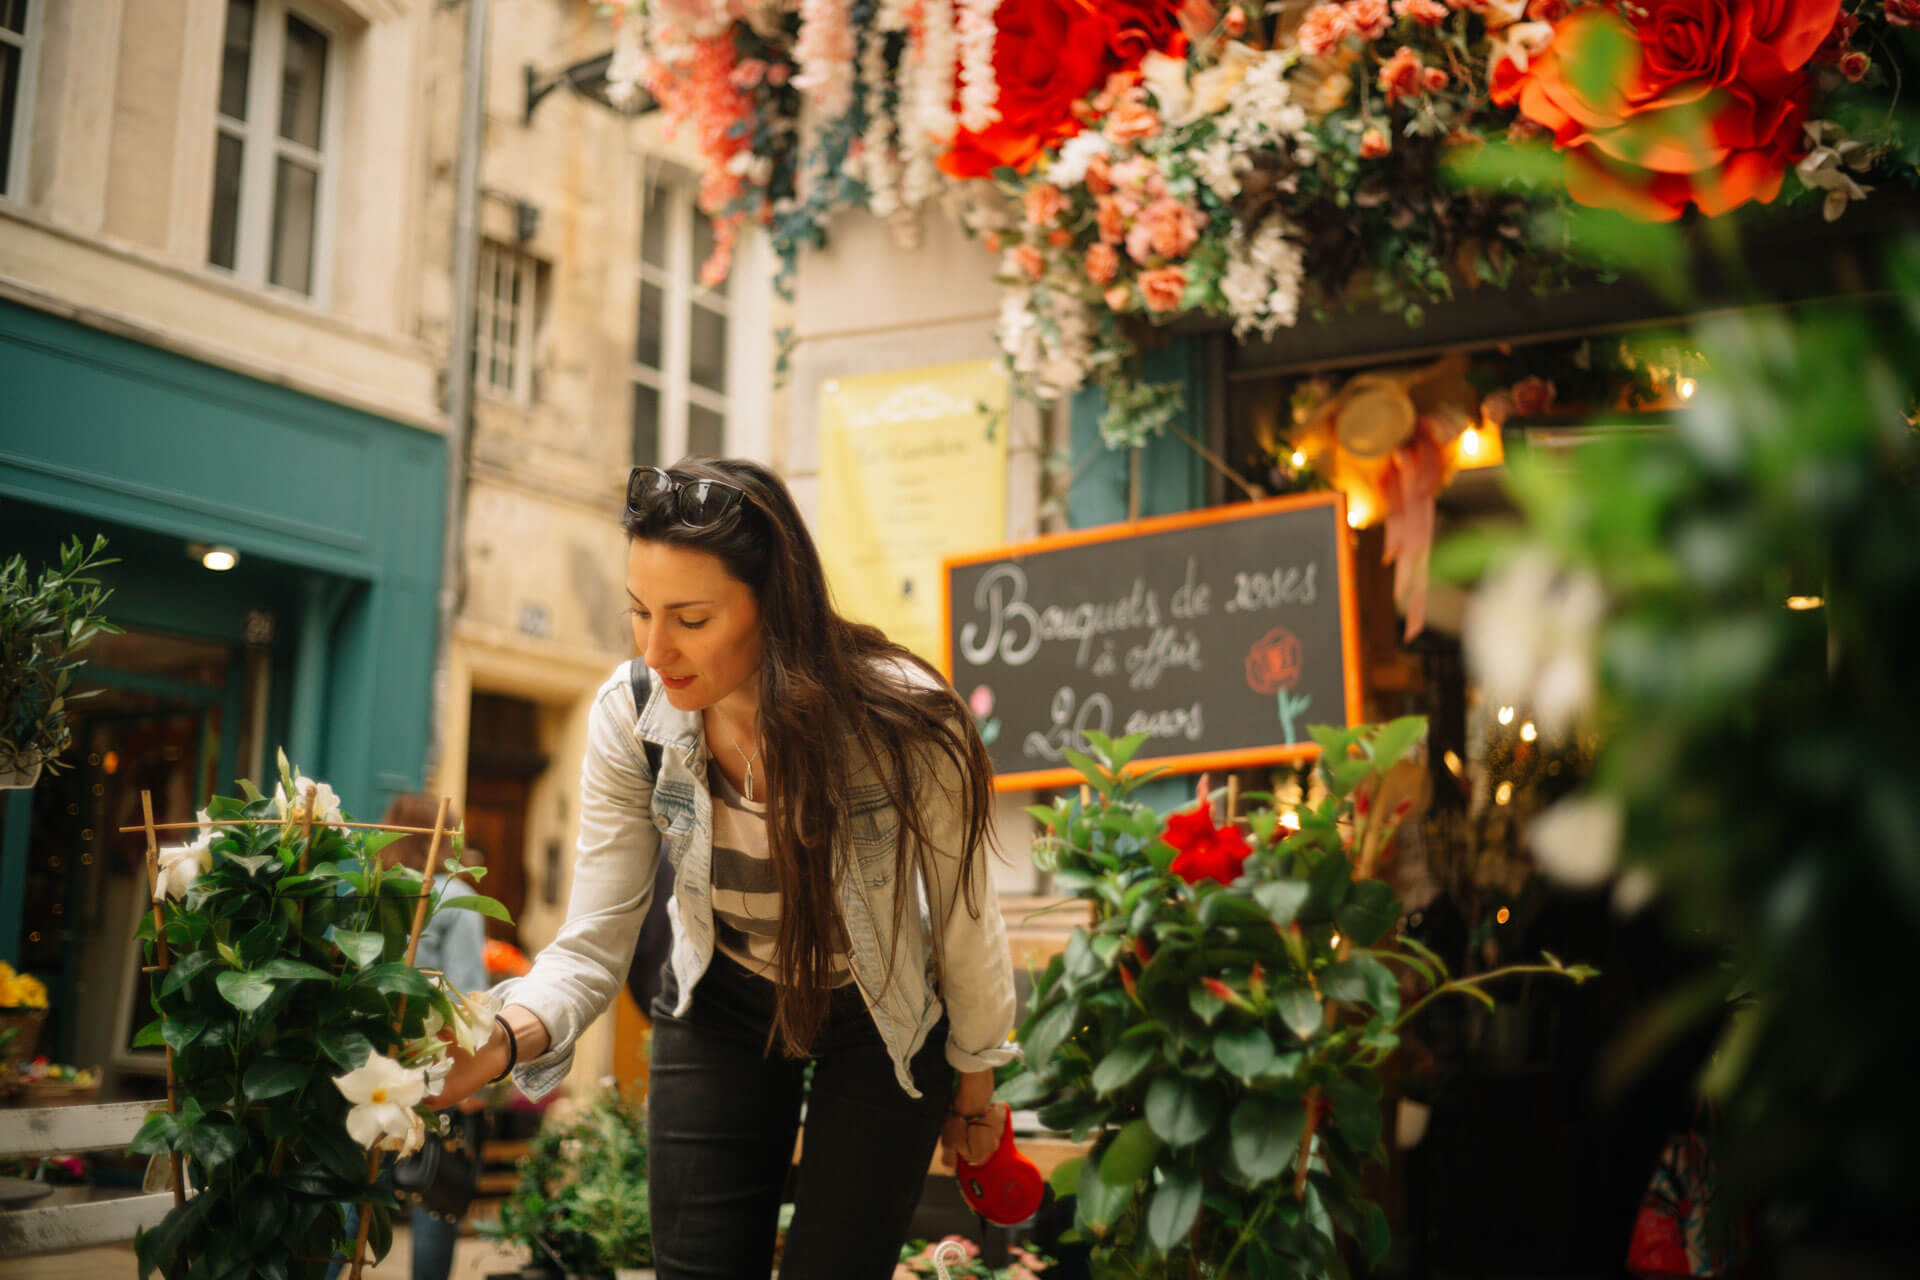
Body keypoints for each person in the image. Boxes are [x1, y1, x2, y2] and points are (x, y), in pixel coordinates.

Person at [427, 457, 1017, 1280]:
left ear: (772, 606)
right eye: (639, 612)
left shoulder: (905, 722)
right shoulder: (630, 717)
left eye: (690, 618)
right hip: (721, 1000)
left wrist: (976, 1092)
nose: (655, 647)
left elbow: (964, 925)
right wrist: (497, 1037)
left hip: (880, 1016)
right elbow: (594, 942)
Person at [327, 797, 490, 1280]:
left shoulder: (369, 895)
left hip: (364, 1067)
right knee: (435, 1195)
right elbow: (465, 1001)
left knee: (353, 1197)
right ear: (446, 838)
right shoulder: (454, 902)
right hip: (427, 1071)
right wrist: (474, 1086)